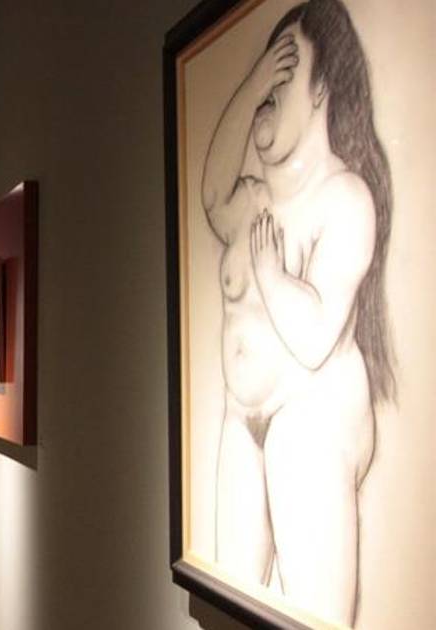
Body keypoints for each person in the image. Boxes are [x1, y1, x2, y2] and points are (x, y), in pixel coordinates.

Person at [200, 0, 394, 624]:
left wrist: (271, 275)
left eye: (284, 75)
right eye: (263, 78)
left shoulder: (344, 198)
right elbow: (210, 195)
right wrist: (254, 82)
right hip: (242, 419)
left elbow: (313, 340)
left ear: (321, 89)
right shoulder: (253, 200)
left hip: (311, 417)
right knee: (229, 597)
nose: (266, 95)